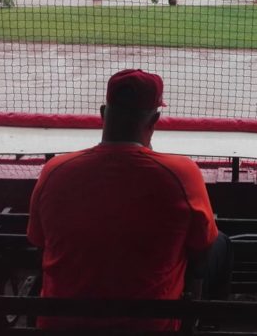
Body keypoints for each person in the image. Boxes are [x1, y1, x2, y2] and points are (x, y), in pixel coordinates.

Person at [27, 69, 231, 331]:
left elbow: (39, 245)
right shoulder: (182, 173)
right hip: (148, 327)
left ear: (103, 114)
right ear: (154, 120)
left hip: (61, 325)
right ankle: (205, 322)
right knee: (220, 243)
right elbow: (201, 251)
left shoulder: (54, 170)